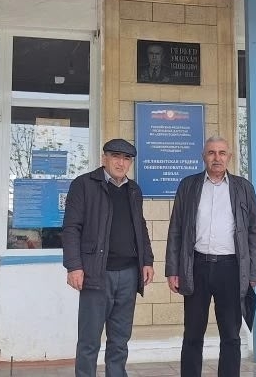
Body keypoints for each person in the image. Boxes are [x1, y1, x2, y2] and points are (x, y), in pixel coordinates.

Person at [165, 136, 256, 377]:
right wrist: (172, 269)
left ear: (229, 157)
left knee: (230, 334)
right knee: (192, 334)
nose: (217, 158)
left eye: (221, 153)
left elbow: (255, 231)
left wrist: (254, 271)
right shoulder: (188, 185)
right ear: (203, 157)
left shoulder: (243, 187)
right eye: (211, 153)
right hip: (196, 266)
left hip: (231, 269)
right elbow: (176, 228)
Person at [62, 138, 155, 377]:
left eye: (126, 159)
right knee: (89, 339)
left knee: (120, 339)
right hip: (96, 274)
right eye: (116, 157)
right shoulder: (84, 185)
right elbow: (71, 228)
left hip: (129, 275)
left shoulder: (133, 190)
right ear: (104, 158)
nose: (121, 163)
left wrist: (147, 261)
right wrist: (74, 266)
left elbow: (140, 227)